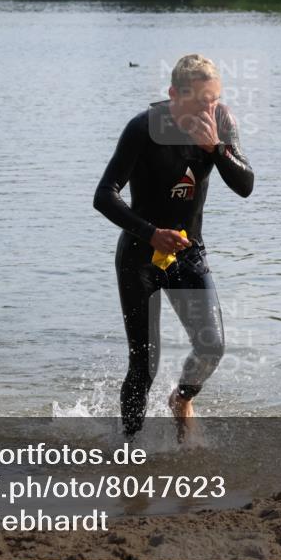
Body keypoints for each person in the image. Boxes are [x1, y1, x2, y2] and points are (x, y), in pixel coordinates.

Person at [94, 54, 254, 440]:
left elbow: (246, 185)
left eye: (214, 99)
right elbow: (104, 195)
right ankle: (128, 448)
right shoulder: (143, 128)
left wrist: (216, 147)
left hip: (188, 254)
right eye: (201, 101)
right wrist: (150, 233)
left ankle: (181, 397)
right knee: (144, 364)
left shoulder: (221, 123)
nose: (209, 108)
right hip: (140, 256)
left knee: (212, 346)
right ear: (174, 95)